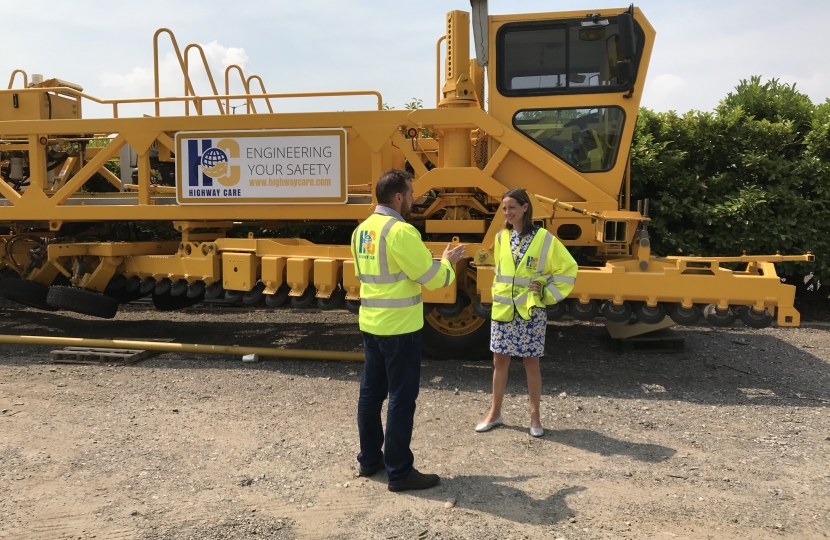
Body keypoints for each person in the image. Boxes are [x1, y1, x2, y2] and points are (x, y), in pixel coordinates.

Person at [350, 168, 466, 492]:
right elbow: (432, 277)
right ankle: (400, 472)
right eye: (412, 195)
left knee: (371, 395)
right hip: (400, 328)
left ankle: (370, 460)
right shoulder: (400, 232)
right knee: (402, 398)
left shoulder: (363, 231)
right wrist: (447, 262)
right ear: (398, 197)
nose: (415, 200)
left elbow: (365, 273)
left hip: (371, 324)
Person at [475, 188, 577, 437]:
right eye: (504, 208)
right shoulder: (500, 238)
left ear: (525, 208)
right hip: (504, 311)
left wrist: (544, 290)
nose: (507, 212)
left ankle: (535, 417)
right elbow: (501, 274)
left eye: (511, 207)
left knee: (531, 363)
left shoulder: (544, 238)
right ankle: (495, 413)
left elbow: (568, 269)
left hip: (530, 311)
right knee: (499, 362)